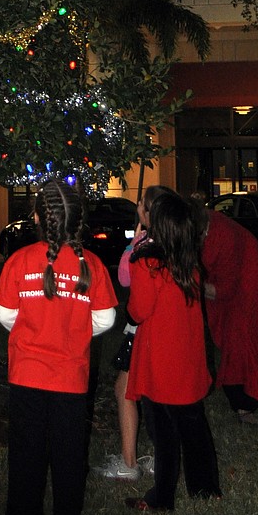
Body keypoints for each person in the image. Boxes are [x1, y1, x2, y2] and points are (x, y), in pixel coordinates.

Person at [0, 180, 117, 515]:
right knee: (69, 456)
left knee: (25, 454)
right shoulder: (91, 265)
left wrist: (32, 330)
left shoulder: (19, 261)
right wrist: (74, 332)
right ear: (78, 221)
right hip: (70, 379)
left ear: (36, 219)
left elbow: (5, 314)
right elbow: (106, 318)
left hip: (27, 376)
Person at [125, 192, 221, 513]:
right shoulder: (188, 261)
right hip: (189, 363)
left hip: (160, 366)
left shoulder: (148, 263)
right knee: (195, 428)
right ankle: (206, 489)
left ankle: (162, 498)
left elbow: (138, 311)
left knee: (164, 435)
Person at [97, 185, 177, 481]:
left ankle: (131, 462)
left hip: (143, 328)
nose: (137, 206)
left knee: (127, 389)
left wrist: (133, 245)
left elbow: (124, 277)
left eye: (141, 203)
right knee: (152, 390)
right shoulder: (176, 241)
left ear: (149, 212)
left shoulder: (146, 247)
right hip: (166, 328)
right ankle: (159, 455)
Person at [196, 201, 258, 421]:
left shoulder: (224, 238)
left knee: (242, 338)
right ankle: (242, 400)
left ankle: (244, 403)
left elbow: (223, 290)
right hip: (234, 280)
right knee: (235, 338)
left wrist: (190, 282)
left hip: (247, 283)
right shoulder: (208, 227)